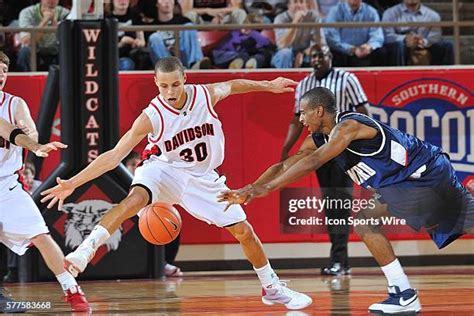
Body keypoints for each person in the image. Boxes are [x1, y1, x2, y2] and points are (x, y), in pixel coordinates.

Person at [41, 56, 313, 310]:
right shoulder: (152, 115)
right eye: (163, 86)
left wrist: (268, 84)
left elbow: (233, 85)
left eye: (175, 84)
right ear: (156, 83)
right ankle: (84, 252)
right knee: (134, 200)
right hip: (163, 169)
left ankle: (271, 287)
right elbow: (114, 156)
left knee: (244, 232)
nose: (169, 91)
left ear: (185, 78)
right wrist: (73, 183)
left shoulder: (205, 95)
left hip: (203, 177)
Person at [219, 86, 474, 314]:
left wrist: (267, 189)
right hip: (403, 181)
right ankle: (403, 293)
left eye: (303, 112)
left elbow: (314, 162)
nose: (300, 119)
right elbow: (286, 164)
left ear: (319, 111)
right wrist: (252, 187)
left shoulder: (348, 126)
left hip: (424, 173)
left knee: (368, 222)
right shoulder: (317, 138)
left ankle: (403, 293)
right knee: (368, 223)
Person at [0, 51, 90, 312]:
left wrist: (36, 144)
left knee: (41, 235)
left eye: (4, 70)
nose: (1, 75)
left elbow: (23, 131)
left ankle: (72, 289)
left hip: (7, 183)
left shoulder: (14, 104)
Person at [281, 44, 368, 276]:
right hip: (320, 147)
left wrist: (361, 145)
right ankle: (341, 260)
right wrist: (286, 147)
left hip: (343, 146)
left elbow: (364, 112)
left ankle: (338, 259)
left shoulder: (347, 79)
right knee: (331, 204)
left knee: (341, 202)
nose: (317, 60)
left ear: (331, 57)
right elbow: (296, 120)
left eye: (321, 55)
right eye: (312, 56)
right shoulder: (304, 85)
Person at [122, 150, 183, 277]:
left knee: (170, 223)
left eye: (137, 165)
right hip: (130, 227)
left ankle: (164, 262)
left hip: (151, 219)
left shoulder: (150, 180)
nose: (135, 168)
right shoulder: (122, 183)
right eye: (132, 165)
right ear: (124, 167)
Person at [382, 0, 454, 66]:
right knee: (398, 45)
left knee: (448, 45)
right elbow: (387, 36)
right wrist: (404, 39)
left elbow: (435, 36)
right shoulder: (390, 13)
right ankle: (399, 77)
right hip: (401, 47)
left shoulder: (433, 15)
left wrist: (423, 42)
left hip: (424, 46)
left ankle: (445, 77)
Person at [145, 0, 212, 69]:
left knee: (189, 26)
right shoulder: (151, 27)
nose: (167, 2)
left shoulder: (184, 21)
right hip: (167, 65)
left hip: (184, 58)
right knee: (154, 37)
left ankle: (194, 64)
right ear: (156, 3)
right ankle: (172, 69)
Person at [324, 0, 385, 67]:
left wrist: (369, 47)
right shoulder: (335, 11)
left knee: (382, 52)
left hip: (365, 51)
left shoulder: (371, 12)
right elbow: (331, 39)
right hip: (344, 52)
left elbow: (377, 36)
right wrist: (353, 49)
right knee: (333, 54)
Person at [17, 0, 70, 71]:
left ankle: (66, 80)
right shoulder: (27, 12)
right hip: (36, 51)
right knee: (24, 52)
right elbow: (27, 41)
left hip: (56, 51)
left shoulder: (66, 14)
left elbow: (67, 40)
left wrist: (54, 21)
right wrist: (45, 21)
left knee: (68, 51)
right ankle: (26, 80)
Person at [272, 0, 326, 68]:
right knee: (285, 54)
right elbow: (282, 45)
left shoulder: (313, 17)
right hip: (283, 55)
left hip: (306, 53)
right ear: (288, 5)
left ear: (306, 4)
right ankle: (284, 78)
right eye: (295, 2)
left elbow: (321, 43)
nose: (299, 5)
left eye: (301, 2)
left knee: (321, 52)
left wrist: (303, 53)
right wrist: (295, 22)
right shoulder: (280, 19)